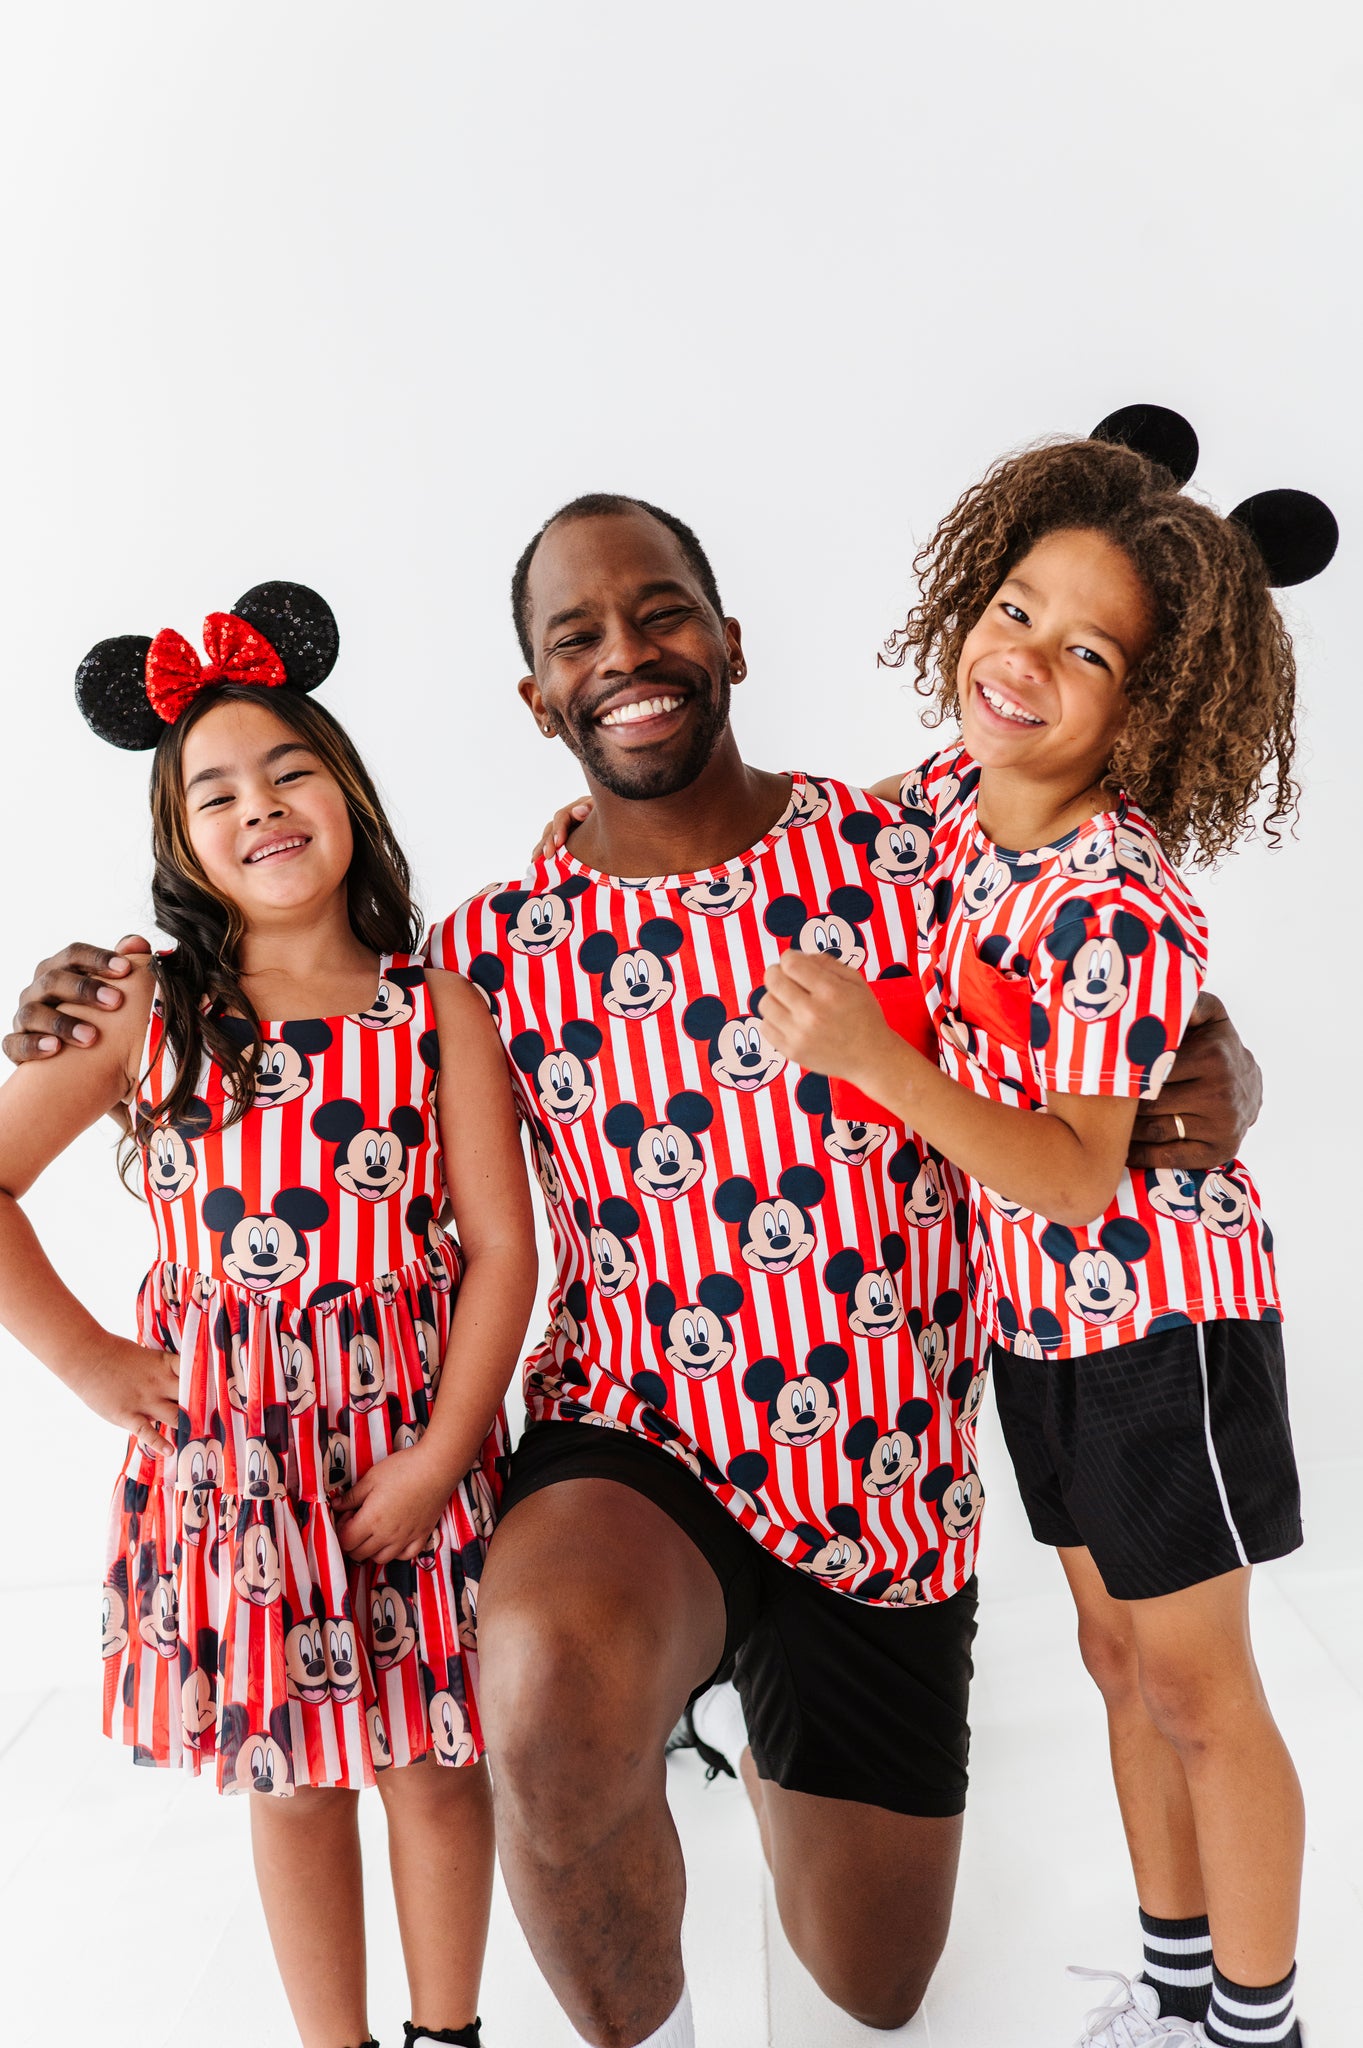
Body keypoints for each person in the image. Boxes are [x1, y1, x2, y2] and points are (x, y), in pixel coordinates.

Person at [7, 502, 1262, 2048]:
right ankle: (633, 1789)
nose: (625, 655)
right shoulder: (490, 956)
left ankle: (733, 1700)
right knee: (542, 1680)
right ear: (537, 699)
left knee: (873, 1984)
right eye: (576, 638)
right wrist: (97, 994)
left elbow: (1091, 952)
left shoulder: (907, 861)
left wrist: (1220, 1066)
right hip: (635, 1442)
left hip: (878, 1485)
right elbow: (301, 1013)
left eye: (661, 614)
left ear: (729, 642)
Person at [758, 414, 1335, 2048]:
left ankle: (1261, 2024)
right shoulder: (960, 794)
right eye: (1015, 609)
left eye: (1088, 651)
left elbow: (1081, 1176)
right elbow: (812, 821)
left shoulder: (1114, 899)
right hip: (1036, 1322)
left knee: (1200, 1688)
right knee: (1112, 1658)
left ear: (1149, 709)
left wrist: (875, 1059)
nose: (1022, 658)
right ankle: (1176, 1987)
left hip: (1159, 1324)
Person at [0, 583, 536, 2048]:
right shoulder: (144, 1006)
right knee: (291, 1779)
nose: (262, 808)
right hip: (237, 1463)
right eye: (217, 793)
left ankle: (446, 2034)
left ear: (349, 790)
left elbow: (502, 1249)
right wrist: (90, 1360)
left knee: (439, 1761)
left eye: (291, 771)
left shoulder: (436, 1008)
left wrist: (441, 1457)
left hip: (412, 1436)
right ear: (180, 840)